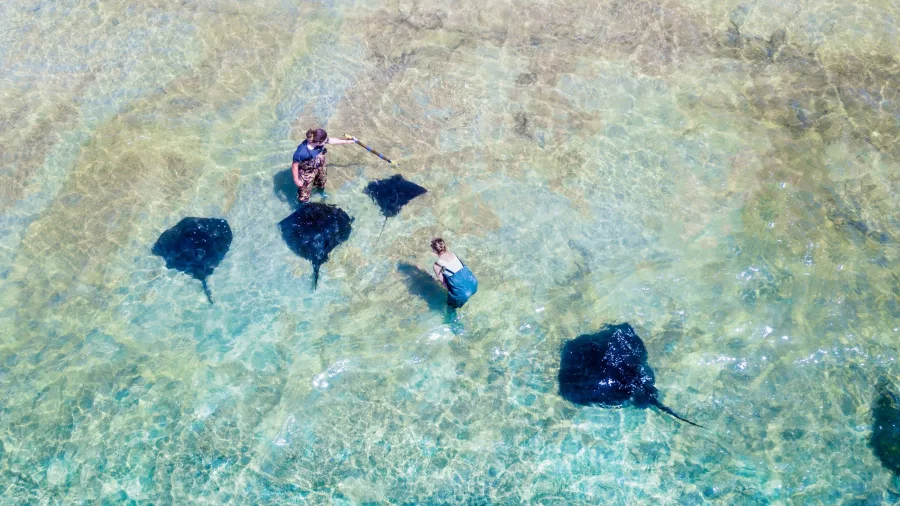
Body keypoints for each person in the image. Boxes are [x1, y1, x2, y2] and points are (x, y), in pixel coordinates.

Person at [291, 128, 355, 203]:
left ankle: (320, 192)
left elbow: (332, 140)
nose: (326, 141)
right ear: (318, 142)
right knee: (304, 194)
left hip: (320, 165)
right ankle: (303, 205)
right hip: (307, 171)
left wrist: (348, 141)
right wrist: (296, 180)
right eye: (324, 141)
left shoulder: (319, 139)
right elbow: (295, 165)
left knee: (321, 182)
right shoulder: (302, 152)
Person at [431, 238, 478, 308]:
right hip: (473, 284)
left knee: (449, 308)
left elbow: (444, 283)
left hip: (461, 294)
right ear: (445, 246)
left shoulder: (436, 265)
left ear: (434, 251)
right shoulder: (453, 254)